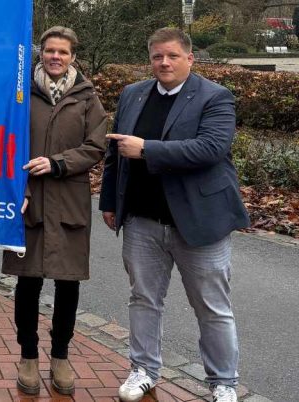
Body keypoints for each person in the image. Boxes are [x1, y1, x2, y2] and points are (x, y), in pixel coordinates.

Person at [99, 28, 250, 402]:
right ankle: (144, 369)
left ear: (190, 58)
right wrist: (109, 202)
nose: (164, 63)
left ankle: (223, 382)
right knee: (143, 299)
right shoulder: (133, 95)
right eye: (157, 56)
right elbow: (116, 154)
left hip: (200, 223)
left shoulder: (215, 97)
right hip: (143, 221)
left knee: (212, 307)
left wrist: (148, 149)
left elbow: (210, 148)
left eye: (172, 56)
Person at [2, 26, 107, 396]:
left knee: (68, 283)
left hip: (69, 202)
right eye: (49, 51)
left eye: (63, 52)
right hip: (28, 200)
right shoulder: (20, 94)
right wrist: (20, 186)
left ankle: (60, 354)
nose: (55, 57)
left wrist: (58, 163)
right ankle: (28, 356)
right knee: (27, 281)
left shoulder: (87, 98)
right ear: (40, 54)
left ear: (73, 56)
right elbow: (5, 142)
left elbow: (96, 146)